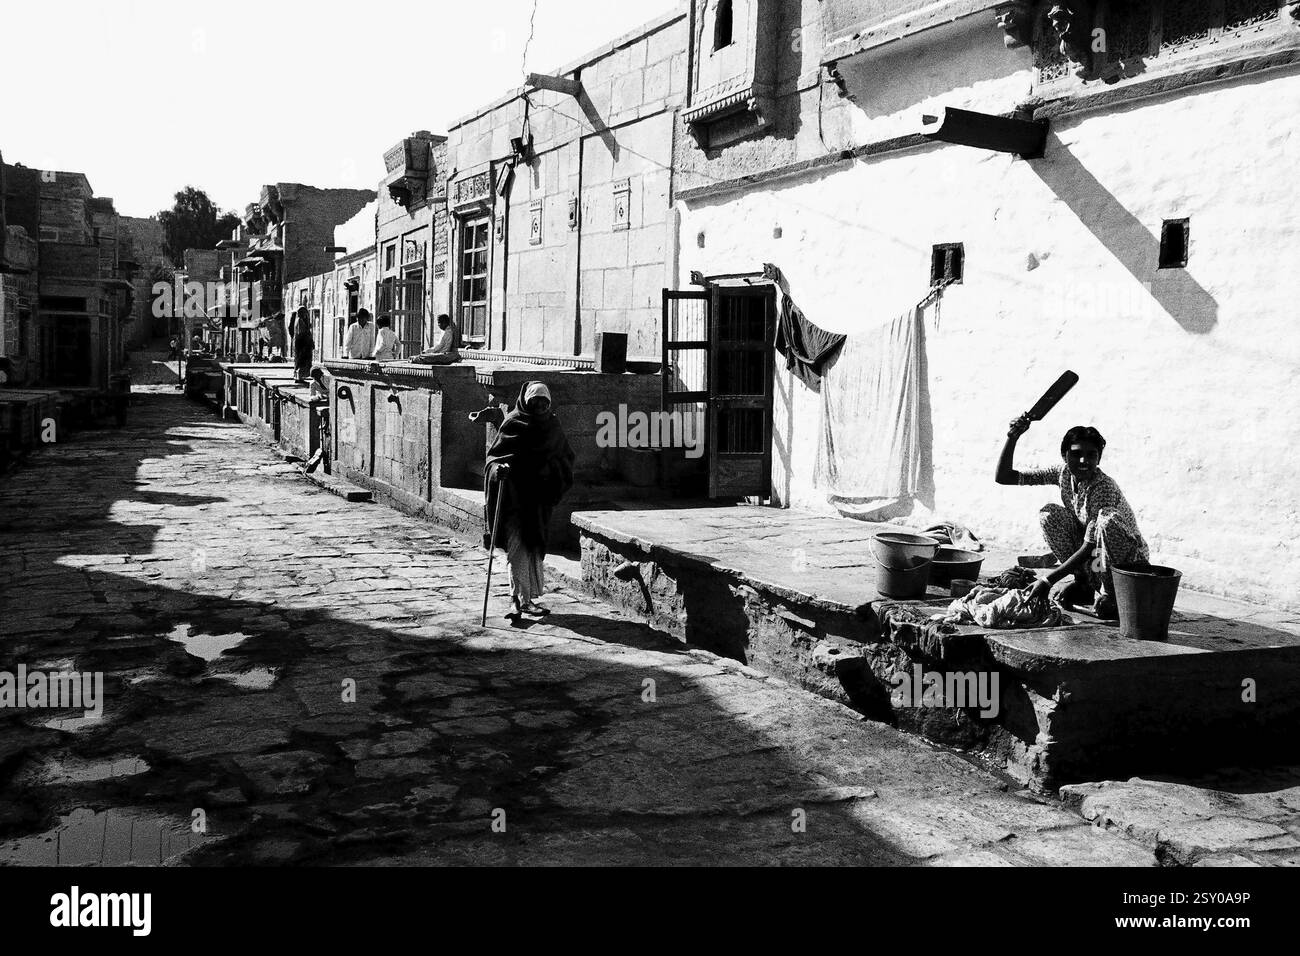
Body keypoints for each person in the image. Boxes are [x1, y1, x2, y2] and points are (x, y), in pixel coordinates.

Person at [996, 417, 1149, 619]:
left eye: (1091, 455)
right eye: (1076, 454)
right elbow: (1004, 477)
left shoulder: (1103, 487)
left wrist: (1047, 580)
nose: (1084, 461)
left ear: (1099, 459)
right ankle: (1084, 582)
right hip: (1097, 560)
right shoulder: (1062, 474)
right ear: (1064, 456)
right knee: (1050, 515)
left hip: (1127, 564)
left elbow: (1090, 545)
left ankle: (1112, 594)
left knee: (1107, 520)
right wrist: (1012, 437)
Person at [484, 381, 575, 618]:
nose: (541, 407)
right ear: (526, 402)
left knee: (533, 548)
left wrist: (552, 474)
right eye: (536, 402)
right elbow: (493, 459)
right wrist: (498, 470)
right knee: (517, 548)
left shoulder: (552, 426)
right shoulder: (513, 422)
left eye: (545, 402)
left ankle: (527, 599)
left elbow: (566, 458)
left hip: (539, 500)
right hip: (515, 499)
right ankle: (516, 599)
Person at [293, 306, 315, 382]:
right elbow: (302, 333)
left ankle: (299, 376)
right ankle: (299, 376)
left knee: (300, 360)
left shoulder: (300, 320)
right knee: (301, 360)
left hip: (301, 343)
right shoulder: (300, 320)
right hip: (302, 343)